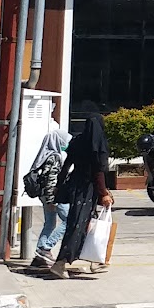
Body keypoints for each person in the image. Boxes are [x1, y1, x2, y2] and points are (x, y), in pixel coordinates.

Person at [50, 112, 112, 278]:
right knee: (79, 224)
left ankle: (94, 260)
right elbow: (99, 172)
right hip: (88, 189)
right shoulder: (99, 146)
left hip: (75, 186)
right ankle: (60, 262)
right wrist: (104, 193)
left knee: (86, 223)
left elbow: (66, 165)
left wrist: (59, 186)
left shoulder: (77, 142)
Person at [27, 121, 71, 272]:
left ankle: (40, 255)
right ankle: (46, 247)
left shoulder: (45, 155)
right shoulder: (55, 157)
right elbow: (51, 179)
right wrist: (52, 199)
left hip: (44, 195)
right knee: (69, 220)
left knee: (50, 223)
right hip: (53, 196)